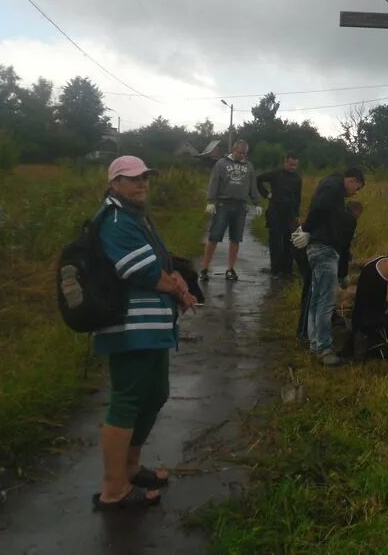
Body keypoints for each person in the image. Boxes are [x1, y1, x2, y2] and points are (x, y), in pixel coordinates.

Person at [92, 155, 197, 511]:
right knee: (128, 399)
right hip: (129, 325)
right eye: (133, 179)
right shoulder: (116, 219)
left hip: (150, 325)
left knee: (155, 395)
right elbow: (142, 272)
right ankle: (113, 487)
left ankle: (131, 468)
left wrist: (176, 277)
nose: (142, 184)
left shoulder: (137, 217)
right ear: (114, 184)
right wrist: (179, 290)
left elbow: (159, 264)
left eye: (145, 178)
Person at [290, 168, 365, 366]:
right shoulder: (333, 187)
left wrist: (309, 232)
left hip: (315, 248)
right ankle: (324, 347)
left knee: (316, 299)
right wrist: (306, 229)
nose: (354, 193)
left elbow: (320, 211)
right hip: (325, 249)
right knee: (326, 301)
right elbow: (319, 209)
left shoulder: (331, 189)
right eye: (356, 188)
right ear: (351, 179)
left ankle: (315, 343)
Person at [201, 140, 263, 282]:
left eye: (244, 153)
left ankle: (230, 269)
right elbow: (214, 181)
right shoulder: (221, 164)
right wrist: (211, 201)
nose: (242, 155)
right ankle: (204, 268)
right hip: (223, 204)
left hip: (241, 206)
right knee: (214, 236)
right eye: (239, 152)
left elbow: (252, 185)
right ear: (233, 150)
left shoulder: (249, 166)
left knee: (235, 238)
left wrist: (257, 202)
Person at [256, 152, 303, 277]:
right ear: (285, 162)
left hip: (290, 214)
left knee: (290, 242)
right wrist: (266, 194)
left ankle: (287, 270)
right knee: (275, 242)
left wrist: (297, 215)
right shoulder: (275, 174)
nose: (293, 167)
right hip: (275, 211)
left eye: (295, 165)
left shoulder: (298, 178)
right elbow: (258, 180)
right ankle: (275, 270)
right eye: (291, 164)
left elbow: (298, 197)